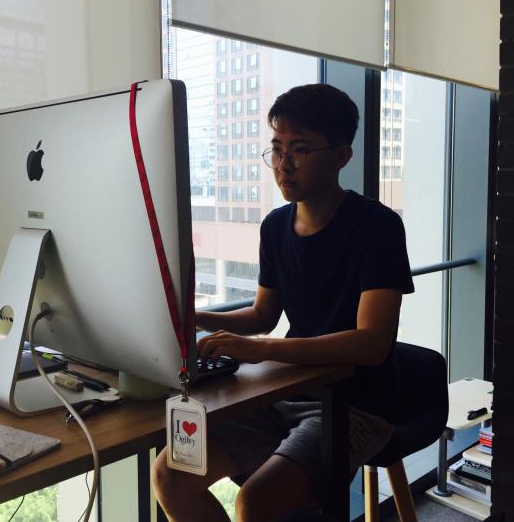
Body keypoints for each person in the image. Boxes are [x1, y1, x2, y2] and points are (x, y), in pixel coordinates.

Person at [151, 83, 414, 522]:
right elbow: (263, 315)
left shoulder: (378, 227)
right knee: (170, 475)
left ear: (341, 156)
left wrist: (263, 350)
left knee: (255, 502)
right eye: (276, 149)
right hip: (285, 391)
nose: (283, 164)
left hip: (357, 403)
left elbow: (372, 344)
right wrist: (191, 317)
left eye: (300, 150)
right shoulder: (275, 227)